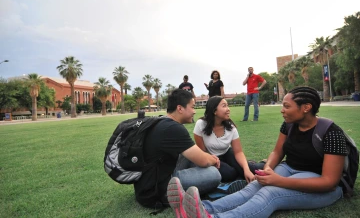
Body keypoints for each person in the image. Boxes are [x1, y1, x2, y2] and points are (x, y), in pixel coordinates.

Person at [168, 86, 347, 218]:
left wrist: (279, 180)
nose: (282, 110)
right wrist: (267, 169)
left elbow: (329, 181)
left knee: (270, 193)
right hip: (290, 168)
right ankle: (200, 207)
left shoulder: (331, 132)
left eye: (286, 106)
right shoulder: (289, 125)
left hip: (320, 183)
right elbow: (277, 152)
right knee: (254, 185)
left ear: (306, 108)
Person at [134, 89, 221, 210]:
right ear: (180, 108)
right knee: (214, 174)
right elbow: (204, 161)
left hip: (145, 184)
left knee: (189, 154)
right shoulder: (173, 128)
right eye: (192, 107)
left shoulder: (161, 121)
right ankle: (171, 193)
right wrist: (213, 160)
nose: (194, 111)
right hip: (157, 189)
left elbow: (195, 153)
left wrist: (207, 159)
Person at [194, 96, 255, 183]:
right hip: (210, 157)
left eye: (227, 105)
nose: (228, 109)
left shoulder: (231, 127)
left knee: (250, 169)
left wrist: (246, 169)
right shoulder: (201, 124)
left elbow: (238, 152)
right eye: (224, 106)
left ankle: (264, 164)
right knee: (229, 174)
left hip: (227, 153)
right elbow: (202, 151)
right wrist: (212, 160)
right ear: (214, 111)